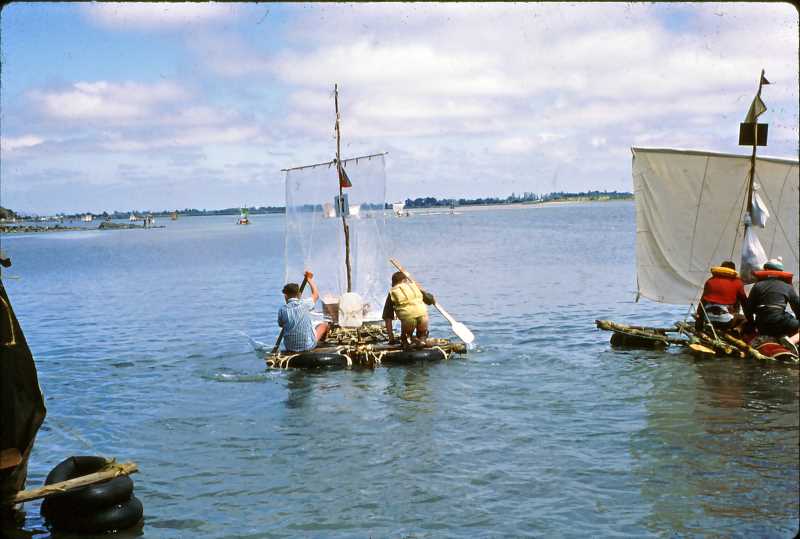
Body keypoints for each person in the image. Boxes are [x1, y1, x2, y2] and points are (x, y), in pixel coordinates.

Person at [746, 258, 799, 353]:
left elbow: (748, 309)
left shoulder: (757, 286)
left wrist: (752, 324)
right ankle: (792, 341)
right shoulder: (788, 287)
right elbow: (797, 308)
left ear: (766, 270)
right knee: (792, 324)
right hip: (780, 323)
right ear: (781, 272)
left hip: (762, 325)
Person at [278, 271, 329, 353]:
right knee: (324, 325)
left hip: (289, 347)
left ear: (285, 296)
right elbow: (316, 294)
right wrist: (309, 279)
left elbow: (281, 324)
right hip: (307, 346)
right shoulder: (305, 304)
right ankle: (319, 344)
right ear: (299, 295)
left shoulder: (282, 310)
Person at [382, 271, 435, 348]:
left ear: (393, 283)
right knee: (422, 334)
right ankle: (422, 340)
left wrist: (391, 339)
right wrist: (424, 292)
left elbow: (388, 318)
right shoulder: (414, 287)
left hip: (408, 320)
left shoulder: (393, 292)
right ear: (405, 280)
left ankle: (407, 341)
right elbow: (430, 300)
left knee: (405, 339)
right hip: (424, 317)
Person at [695, 261, 748, 332]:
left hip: (708, 320)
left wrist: (699, 320)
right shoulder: (738, 282)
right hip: (726, 322)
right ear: (734, 270)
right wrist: (750, 317)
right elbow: (745, 303)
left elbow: (702, 302)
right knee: (745, 319)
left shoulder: (710, 281)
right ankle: (738, 329)